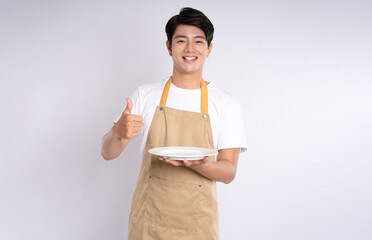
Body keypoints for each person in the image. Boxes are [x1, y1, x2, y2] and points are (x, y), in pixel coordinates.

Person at [101, 7, 247, 240]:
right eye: (181, 40)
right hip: (149, 222)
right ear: (169, 47)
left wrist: (198, 165)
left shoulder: (225, 103)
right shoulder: (146, 95)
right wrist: (117, 132)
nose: (189, 49)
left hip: (198, 226)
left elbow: (228, 171)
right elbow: (108, 153)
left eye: (198, 41)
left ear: (209, 49)